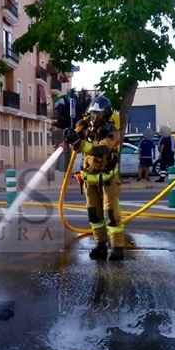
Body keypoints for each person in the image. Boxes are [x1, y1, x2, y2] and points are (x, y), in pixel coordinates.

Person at [64, 95, 125, 261]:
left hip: (108, 180)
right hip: (89, 180)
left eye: (97, 114)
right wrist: (73, 136)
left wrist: (79, 142)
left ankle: (118, 247)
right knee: (94, 214)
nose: (94, 118)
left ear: (105, 116)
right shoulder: (87, 129)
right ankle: (100, 244)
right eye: (92, 114)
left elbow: (100, 150)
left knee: (111, 213)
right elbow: (77, 146)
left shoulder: (112, 132)